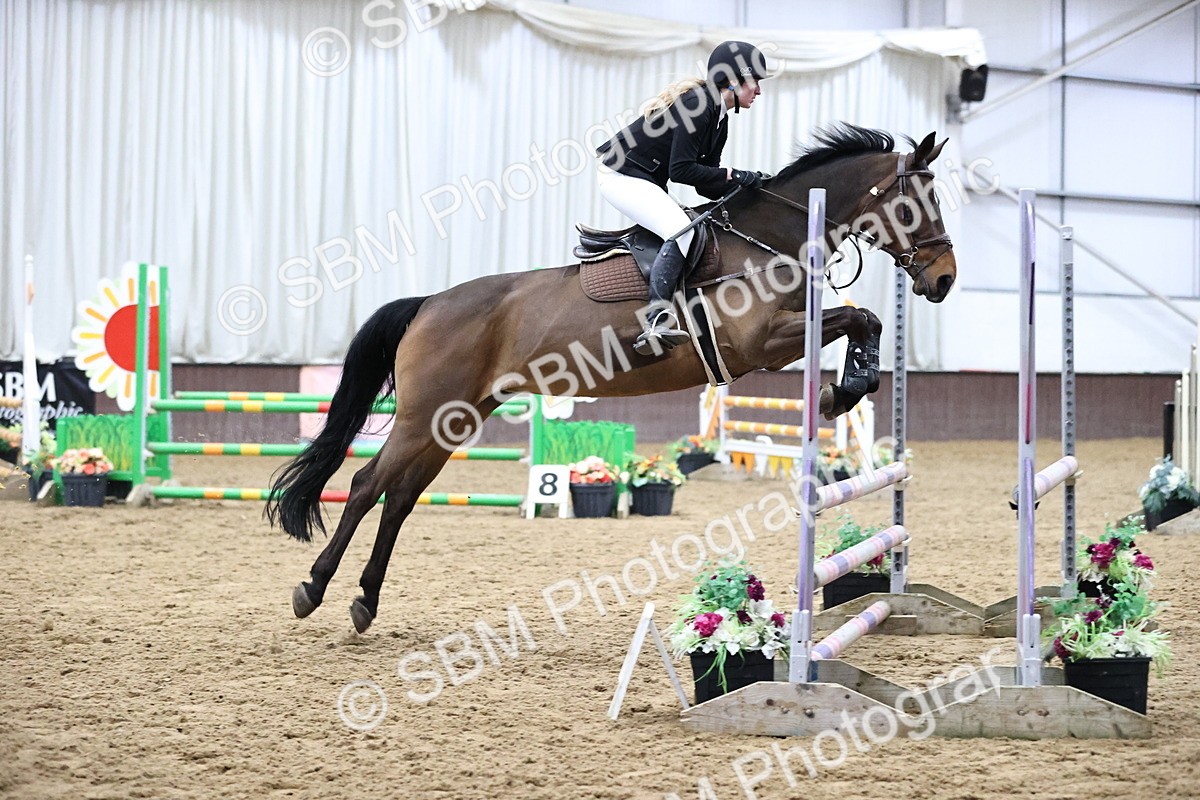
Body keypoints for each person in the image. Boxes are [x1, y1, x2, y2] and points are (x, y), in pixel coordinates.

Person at [595, 40, 769, 356]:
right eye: (755, 81)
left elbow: (705, 183)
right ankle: (656, 318)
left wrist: (748, 188)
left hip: (642, 177)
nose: (758, 91)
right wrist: (734, 175)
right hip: (619, 175)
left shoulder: (719, 119)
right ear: (733, 79)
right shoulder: (699, 105)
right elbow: (681, 171)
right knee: (681, 228)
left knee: (693, 225)